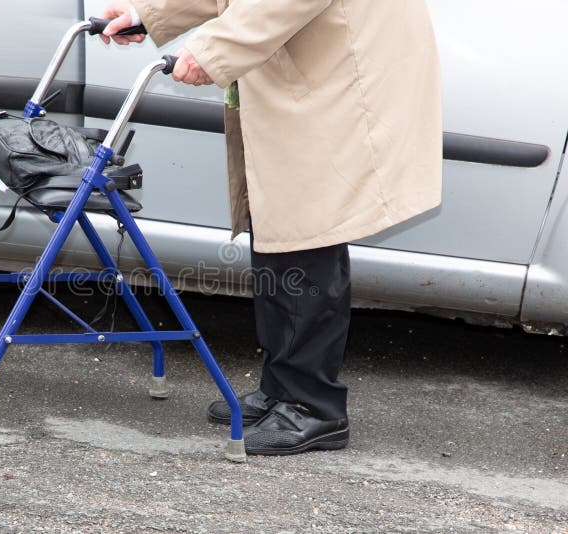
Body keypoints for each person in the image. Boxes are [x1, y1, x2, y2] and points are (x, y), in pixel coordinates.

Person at [98, 0, 442, 456]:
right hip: (306, 69)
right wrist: (152, 13)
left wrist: (215, 49)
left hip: (338, 74)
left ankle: (313, 407)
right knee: (281, 227)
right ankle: (283, 387)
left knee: (307, 234)